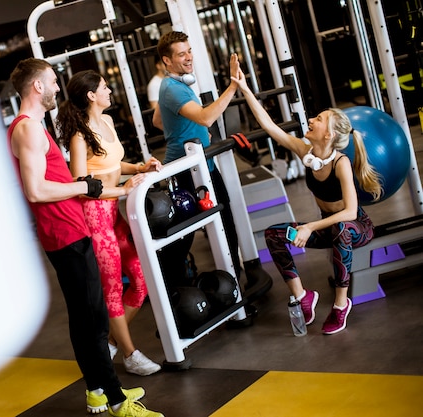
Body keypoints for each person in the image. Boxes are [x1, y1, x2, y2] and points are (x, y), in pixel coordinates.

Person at [8, 58, 164, 417]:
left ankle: (98, 391)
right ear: (37, 87)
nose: (58, 89)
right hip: (64, 233)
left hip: (69, 229)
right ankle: (116, 401)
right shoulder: (28, 128)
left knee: (87, 318)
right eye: (52, 82)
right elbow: (34, 191)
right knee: (92, 319)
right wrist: (84, 186)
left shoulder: (33, 126)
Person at [231, 68, 382, 335]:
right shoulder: (305, 152)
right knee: (275, 235)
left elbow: (349, 212)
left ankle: (340, 304)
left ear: (330, 135)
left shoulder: (341, 163)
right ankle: (303, 297)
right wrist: (244, 89)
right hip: (326, 229)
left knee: (341, 229)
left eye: (319, 119)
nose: (311, 119)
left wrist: (310, 226)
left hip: (356, 227)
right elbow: (269, 126)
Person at [55, 70, 162, 377]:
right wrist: (124, 189)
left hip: (113, 213)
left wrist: (140, 166)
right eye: (104, 87)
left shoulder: (109, 122)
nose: (109, 90)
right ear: (91, 95)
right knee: (113, 288)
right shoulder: (79, 135)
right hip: (93, 218)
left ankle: (108, 343)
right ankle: (129, 354)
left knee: (140, 280)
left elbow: (113, 164)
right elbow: (80, 182)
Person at [152, 30, 243, 277]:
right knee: (196, 232)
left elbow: (158, 120)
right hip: (187, 171)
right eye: (182, 54)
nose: (189, 57)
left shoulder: (173, 84)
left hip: (200, 166)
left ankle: (231, 282)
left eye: (189, 50)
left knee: (220, 222)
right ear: (166, 61)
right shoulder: (173, 89)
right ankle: (228, 288)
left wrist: (196, 133)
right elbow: (206, 117)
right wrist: (234, 85)